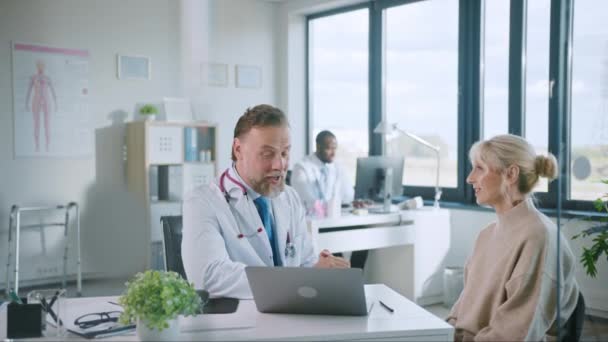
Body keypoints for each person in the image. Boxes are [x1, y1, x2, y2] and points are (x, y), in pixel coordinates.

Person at [182, 104, 350, 299]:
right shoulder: (202, 201)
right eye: (267, 154)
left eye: (285, 153)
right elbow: (209, 277)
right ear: (238, 150)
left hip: (292, 314)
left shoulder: (290, 197)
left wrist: (322, 270)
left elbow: (306, 262)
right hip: (242, 322)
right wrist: (303, 277)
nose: (279, 165)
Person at [447, 134, 580, 341]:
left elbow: (515, 334)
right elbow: (464, 307)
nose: (470, 178)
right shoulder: (487, 235)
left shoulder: (538, 238)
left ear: (510, 174)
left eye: (480, 168)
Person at [291, 130, 354, 217]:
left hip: (333, 218)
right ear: (318, 146)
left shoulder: (338, 168)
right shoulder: (301, 168)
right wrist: (332, 205)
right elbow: (309, 202)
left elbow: (348, 195)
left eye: (335, 148)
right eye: (329, 148)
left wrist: (352, 203)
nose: (333, 153)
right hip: (309, 219)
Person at [25, 60, 57, 152]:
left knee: (47, 124)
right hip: (36, 101)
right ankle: (37, 146)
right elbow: (28, 90)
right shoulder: (33, 78)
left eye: (42, 65)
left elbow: (53, 90)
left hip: (47, 101)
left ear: (44, 66)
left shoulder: (47, 78)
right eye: (39, 65)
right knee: (36, 124)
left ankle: (47, 146)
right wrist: (26, 103)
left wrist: (56, 103)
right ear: (36, 66)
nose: (40, 67)